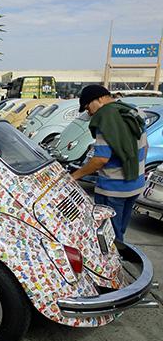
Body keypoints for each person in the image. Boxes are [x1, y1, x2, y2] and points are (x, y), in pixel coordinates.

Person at [71, 85, 147, 242]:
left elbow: (101, 159)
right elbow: (146, 146)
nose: (89, 113)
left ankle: (115, 262)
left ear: (99, 99)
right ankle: (121, 254)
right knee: (120, 229)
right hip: (136, 183)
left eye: (87, 107)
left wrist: (74, 176)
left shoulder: (104, 118)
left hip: (113, 188)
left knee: (108, 235)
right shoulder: (133, 110)